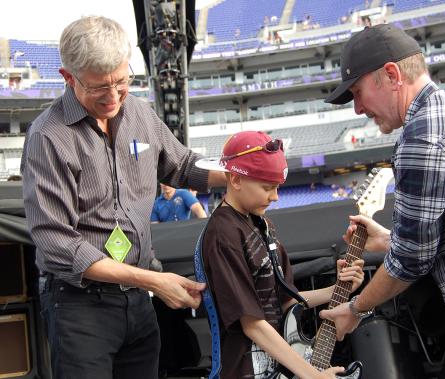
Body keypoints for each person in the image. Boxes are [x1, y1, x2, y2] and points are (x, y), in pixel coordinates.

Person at [20, 16, 225, 379]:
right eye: (100, 87)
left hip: (137, 302)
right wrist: (153, 281)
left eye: (121, 81)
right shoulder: (47, 138)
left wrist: (244, 173)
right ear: (68, 77)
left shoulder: (141, 113)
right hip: (80, 308)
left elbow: (183, 166)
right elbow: (57, 243)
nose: (113, 98)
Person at [320, 24, 445, 379]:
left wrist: (355, 309)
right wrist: (391, 240)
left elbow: (411, 260)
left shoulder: (421, 138)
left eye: (358, 92)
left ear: (391, 75)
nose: (359, 109)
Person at [195, 131, 365, 378]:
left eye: (276, 187)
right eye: (267, 187)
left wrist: (337, 290)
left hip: (280, 365)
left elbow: (283, 301)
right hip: (247, 369)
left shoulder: (262, 224)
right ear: (235, 179)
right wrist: (312, 375)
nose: (275, 197)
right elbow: (251, 323)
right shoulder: (223, 233)